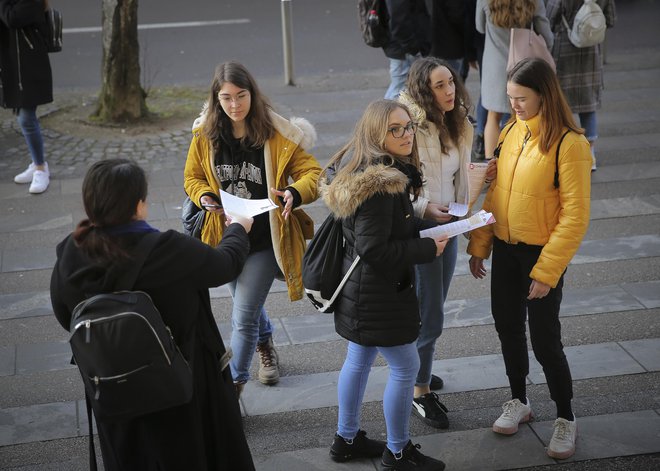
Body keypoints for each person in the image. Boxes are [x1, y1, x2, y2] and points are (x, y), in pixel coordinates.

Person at [50, 159, 256, 470]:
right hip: (176, 388)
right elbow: (225, 263)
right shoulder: (168, 250)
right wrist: (239, 228)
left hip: (112, 389)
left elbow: (65, 314)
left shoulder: (71, 252)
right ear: (139, 204)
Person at [467, 57, 592, 460]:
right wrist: (479, 246)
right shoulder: (510, 132)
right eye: (509, 98)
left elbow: (575, 216)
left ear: (544, 94)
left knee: (544, 340)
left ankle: (566, 417)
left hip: (541, 253)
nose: (513, 106)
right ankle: (518, 400)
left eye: (521, 99)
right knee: (507, 326)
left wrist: (548, 271)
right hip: (505, 248)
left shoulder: (571, 144)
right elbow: (496, 196)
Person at [323, 99, 448, 470]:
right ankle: (398, 452)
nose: (406, 134)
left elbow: (378, 237)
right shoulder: (382, 184)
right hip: (377, 294)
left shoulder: (367, 170)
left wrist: (423, 224)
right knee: (406, 367)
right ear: (377, 134)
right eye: (396, 129)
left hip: (363, 292)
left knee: (358, 359)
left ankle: (346, 440)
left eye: (408, 126)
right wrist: (427, 247)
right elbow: (374, 247)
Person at [183, 61, 321, 394]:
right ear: (216, 99)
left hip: (264, 241)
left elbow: (314, 174)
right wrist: (204, 198)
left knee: (242, 316)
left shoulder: (276, 135)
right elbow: (192, 177)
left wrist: (292, 191)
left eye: (241, 96)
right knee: (248, 306)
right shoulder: (206, 135)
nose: (234, 105)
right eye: (226, 98)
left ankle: (235, 387)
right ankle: (266, 344)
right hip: (226, 237)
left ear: (252, 94)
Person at [398, 56, 474, 430]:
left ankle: (416, 369)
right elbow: (398, 183)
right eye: (439, 86)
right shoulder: (411, 128)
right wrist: (426, 207)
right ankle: (419, 390)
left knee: (433, 306)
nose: (449, 91)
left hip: (450, 226)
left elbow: (457, 176)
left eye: (451, 82)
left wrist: (475, 184)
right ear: (423, 93)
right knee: (430, 314)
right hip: (422, 229)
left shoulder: (458, 121)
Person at [476, 0, 553, 160]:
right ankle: (519, 161)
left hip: (495, 64)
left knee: (493, 116)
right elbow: (546, 33)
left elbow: (480, 27)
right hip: (522, 63)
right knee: (523, 115)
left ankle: (491, 164)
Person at [546, 0, 617, 171]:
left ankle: (564, 151)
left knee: (562, 106)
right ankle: (590, 153)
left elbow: (549, 18)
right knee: (588, 105)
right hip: (591, 51)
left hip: (563, 50)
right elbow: (611, 19)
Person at [0, 0, 52, 194]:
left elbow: (12, 19)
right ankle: (36, 163)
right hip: (15, 64)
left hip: (29, 66)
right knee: (22, 114)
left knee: (26, 117)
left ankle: (41, 168)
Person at [382, 0, 431, 100]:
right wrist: (412, 47)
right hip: (405, 48)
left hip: (403, 46)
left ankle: (383, 114)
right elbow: (398, 20)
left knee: (399, 88)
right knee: (399, 91)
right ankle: (383, 115)